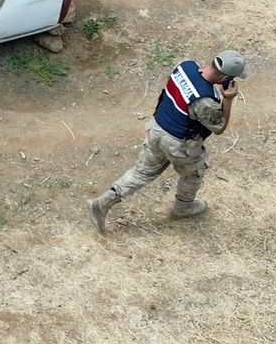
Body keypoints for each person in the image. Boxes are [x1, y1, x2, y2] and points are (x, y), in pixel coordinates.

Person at [89, 49, 246, 233]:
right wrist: (227, 100)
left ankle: (103, 201)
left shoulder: (185, 65)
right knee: (193, 173)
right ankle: (183, 207)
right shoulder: (205, 101)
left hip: (157, 128)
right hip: (179, 143)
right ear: (225, 78)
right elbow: (219, 127)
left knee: (142, 172)